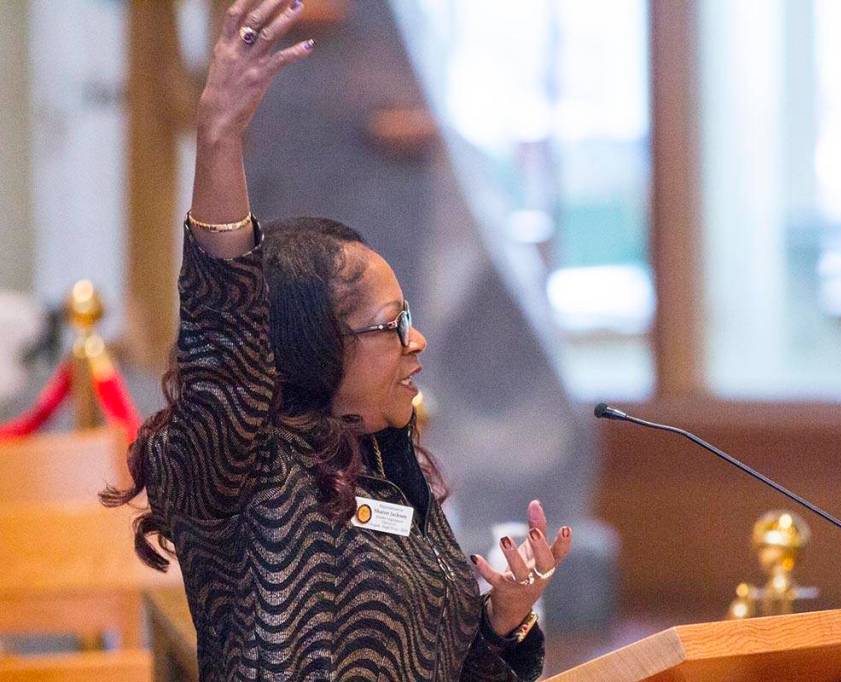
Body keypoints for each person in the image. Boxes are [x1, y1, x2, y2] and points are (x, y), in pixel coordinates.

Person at [102, 1, 571, 679]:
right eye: (392, 326)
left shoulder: (389, 482)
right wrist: (220, 143)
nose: (419, 344)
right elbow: (224, 339)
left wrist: (504, 619)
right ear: (314, 341)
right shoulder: (244, 475)